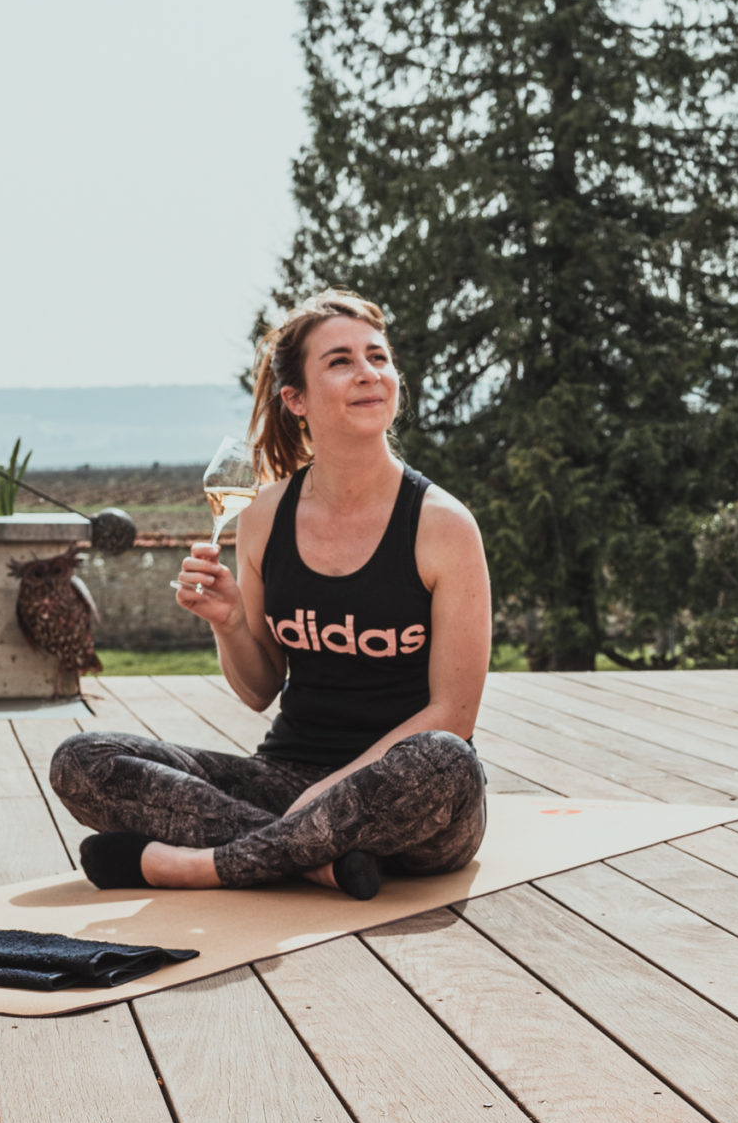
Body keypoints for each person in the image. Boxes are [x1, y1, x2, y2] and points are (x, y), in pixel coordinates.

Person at [48, 289, 491, 899]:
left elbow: (453, 714)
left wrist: (335, 795)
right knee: (83, 760)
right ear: (296, 399)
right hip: (287, 778)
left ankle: (196, 866)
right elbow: (259, 690)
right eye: (340, 361)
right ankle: (316, 862)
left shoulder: (443, 525)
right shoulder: (264, 516)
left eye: (378, 358)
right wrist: (229, 623)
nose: (369, 373)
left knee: (446, 759)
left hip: (407, 799)